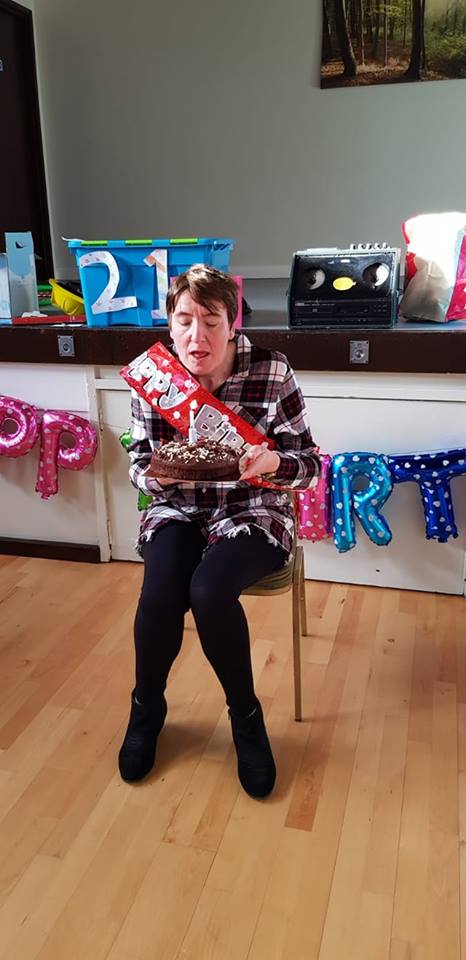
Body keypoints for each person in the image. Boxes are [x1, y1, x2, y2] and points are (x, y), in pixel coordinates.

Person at [118, 264, 320, 798]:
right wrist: (162, 474)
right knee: (160, 592)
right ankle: (146, 708)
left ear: (233, 325)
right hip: (178, 508)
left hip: (254, 509)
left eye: (211, 321)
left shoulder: (271, 370)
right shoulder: (155, 377)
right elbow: (138, 464)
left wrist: (272, 463)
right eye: (184, 321)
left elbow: (309, 467)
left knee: (208, 590)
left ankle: (246, 718)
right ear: (169, 324)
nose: (196, 336)